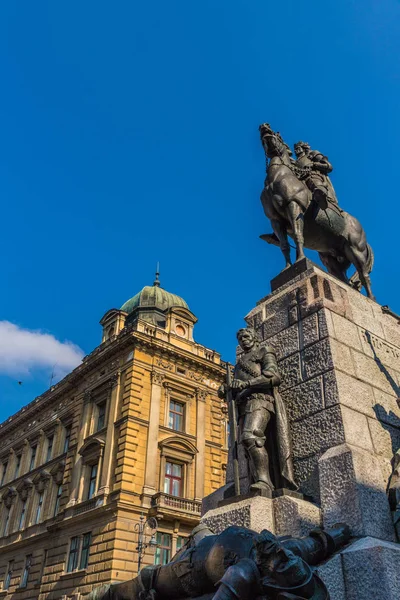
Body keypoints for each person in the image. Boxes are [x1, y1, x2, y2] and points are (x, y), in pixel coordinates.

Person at [87, 522, 351, 600]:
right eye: (286, 555)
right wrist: (343, 532)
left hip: (187, 572)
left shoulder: (243, 574)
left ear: (271, 579)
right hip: (207, 540)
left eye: (279, 562)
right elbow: (323, 541)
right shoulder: (290, 551)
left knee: (143, 583)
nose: (281, 553)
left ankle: (102, 594)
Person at [219, 327, 296, 493]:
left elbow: (273, 376)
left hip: (261, 401)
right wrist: (226, 389)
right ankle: (259, 480)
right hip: (243, 405)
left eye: (246, 336)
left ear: (254, 337)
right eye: (240, 339)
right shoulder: (239, 364)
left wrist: (246, 384)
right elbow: (236, 385)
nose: (243, 340)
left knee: (251, 436)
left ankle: (265, 482)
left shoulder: (264, 351)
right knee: (247, 445)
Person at [293, 141, 339, 208]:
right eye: (295, 149)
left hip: (314, 176)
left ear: (303, 148)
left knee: (313, 181)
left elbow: (329, 167)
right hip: (301, 180)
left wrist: (314, 164)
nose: (295, 150)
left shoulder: (312, 154)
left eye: (298, 148)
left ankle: (321, 196)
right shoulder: (295, 163)